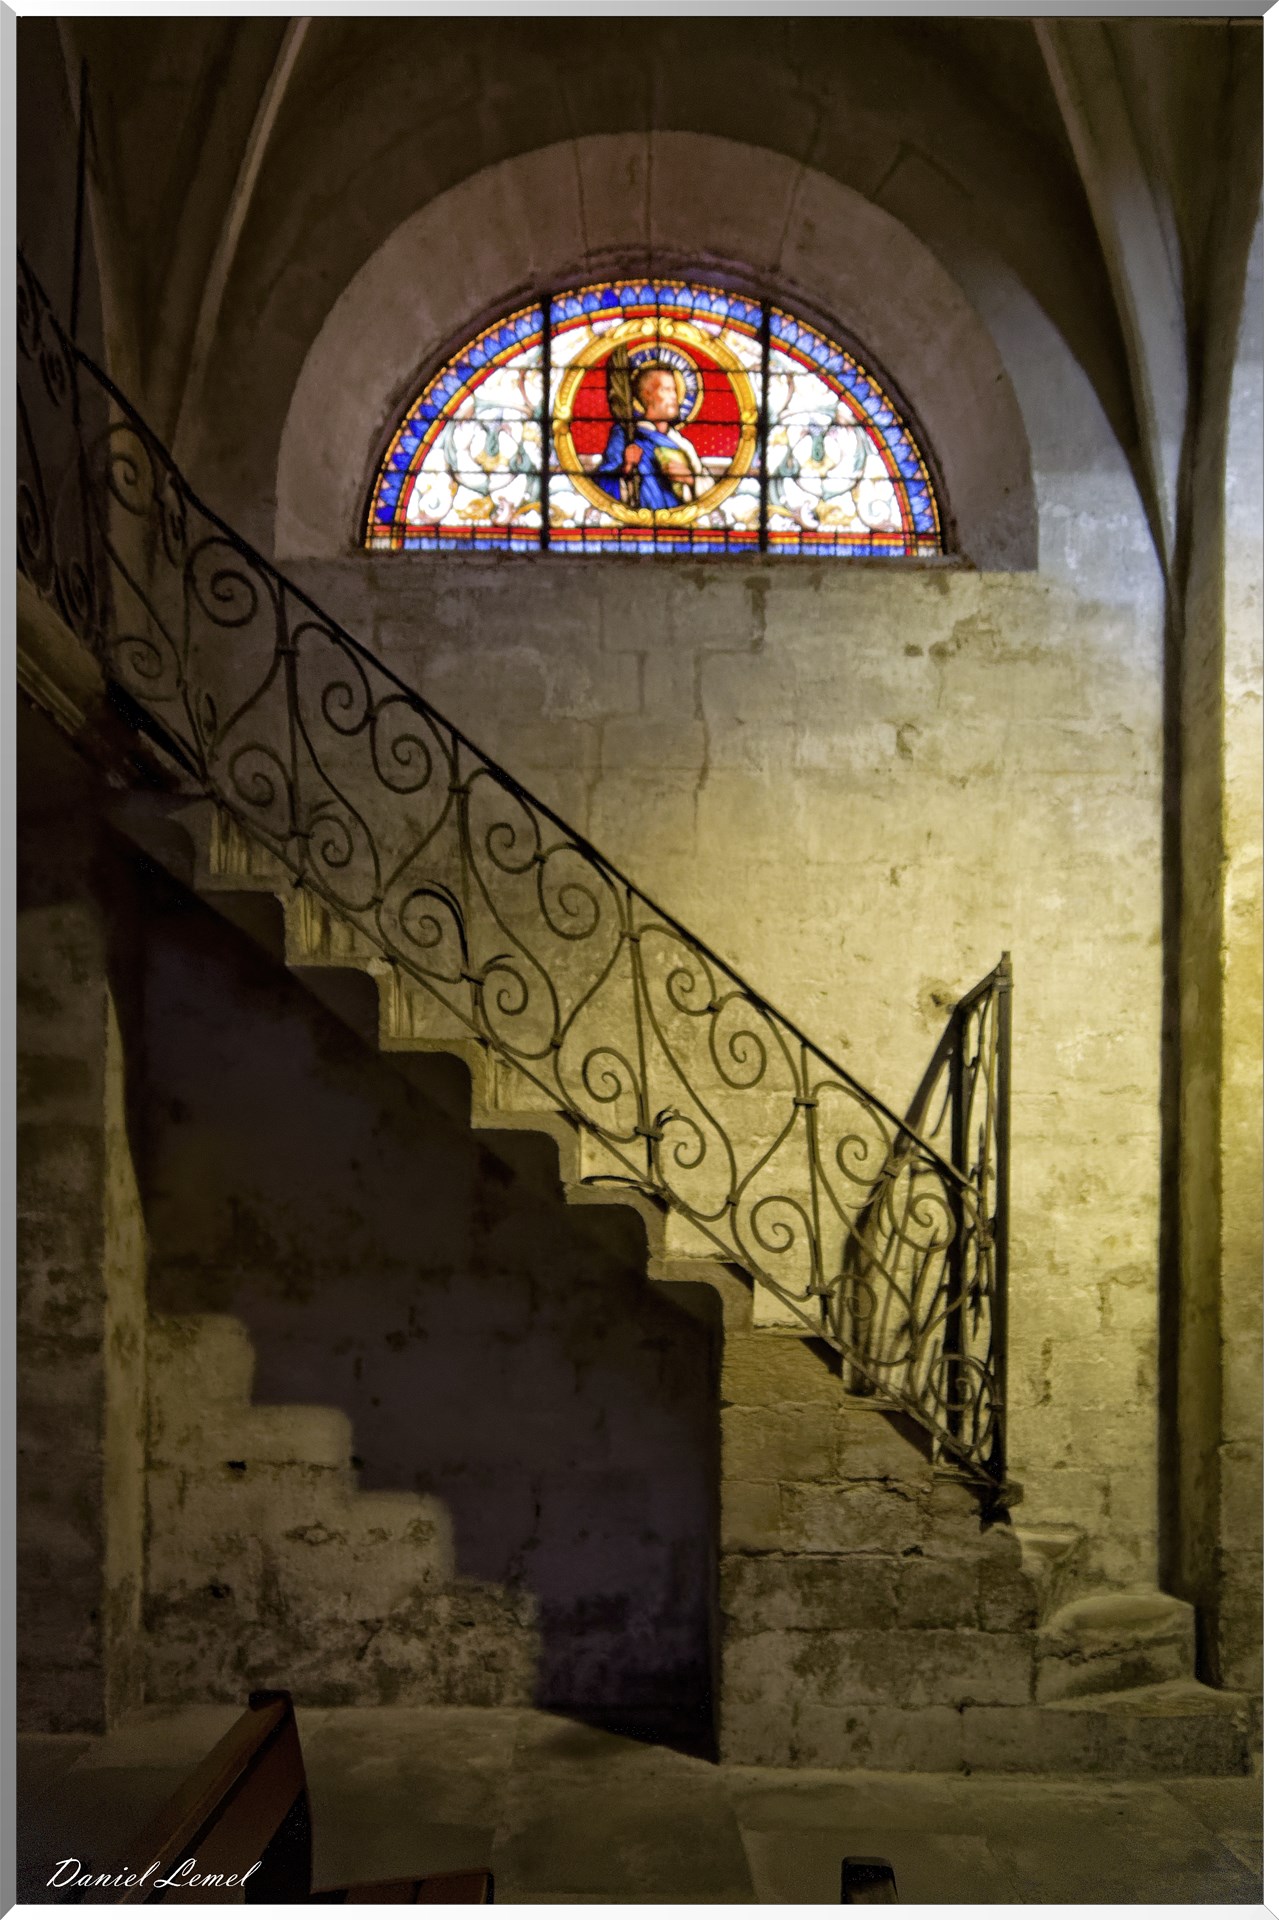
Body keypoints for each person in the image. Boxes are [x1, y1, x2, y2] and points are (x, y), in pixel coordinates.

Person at [594, 364, 709, 510]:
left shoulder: (682, 444)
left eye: (674, 390)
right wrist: (627, 467)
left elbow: (711, 494)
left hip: (678, 526)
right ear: (646, 394)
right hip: (635, 527)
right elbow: (602, 489)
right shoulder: (625, 435)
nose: (674, 396)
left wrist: (689, 479)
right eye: (665, 390)